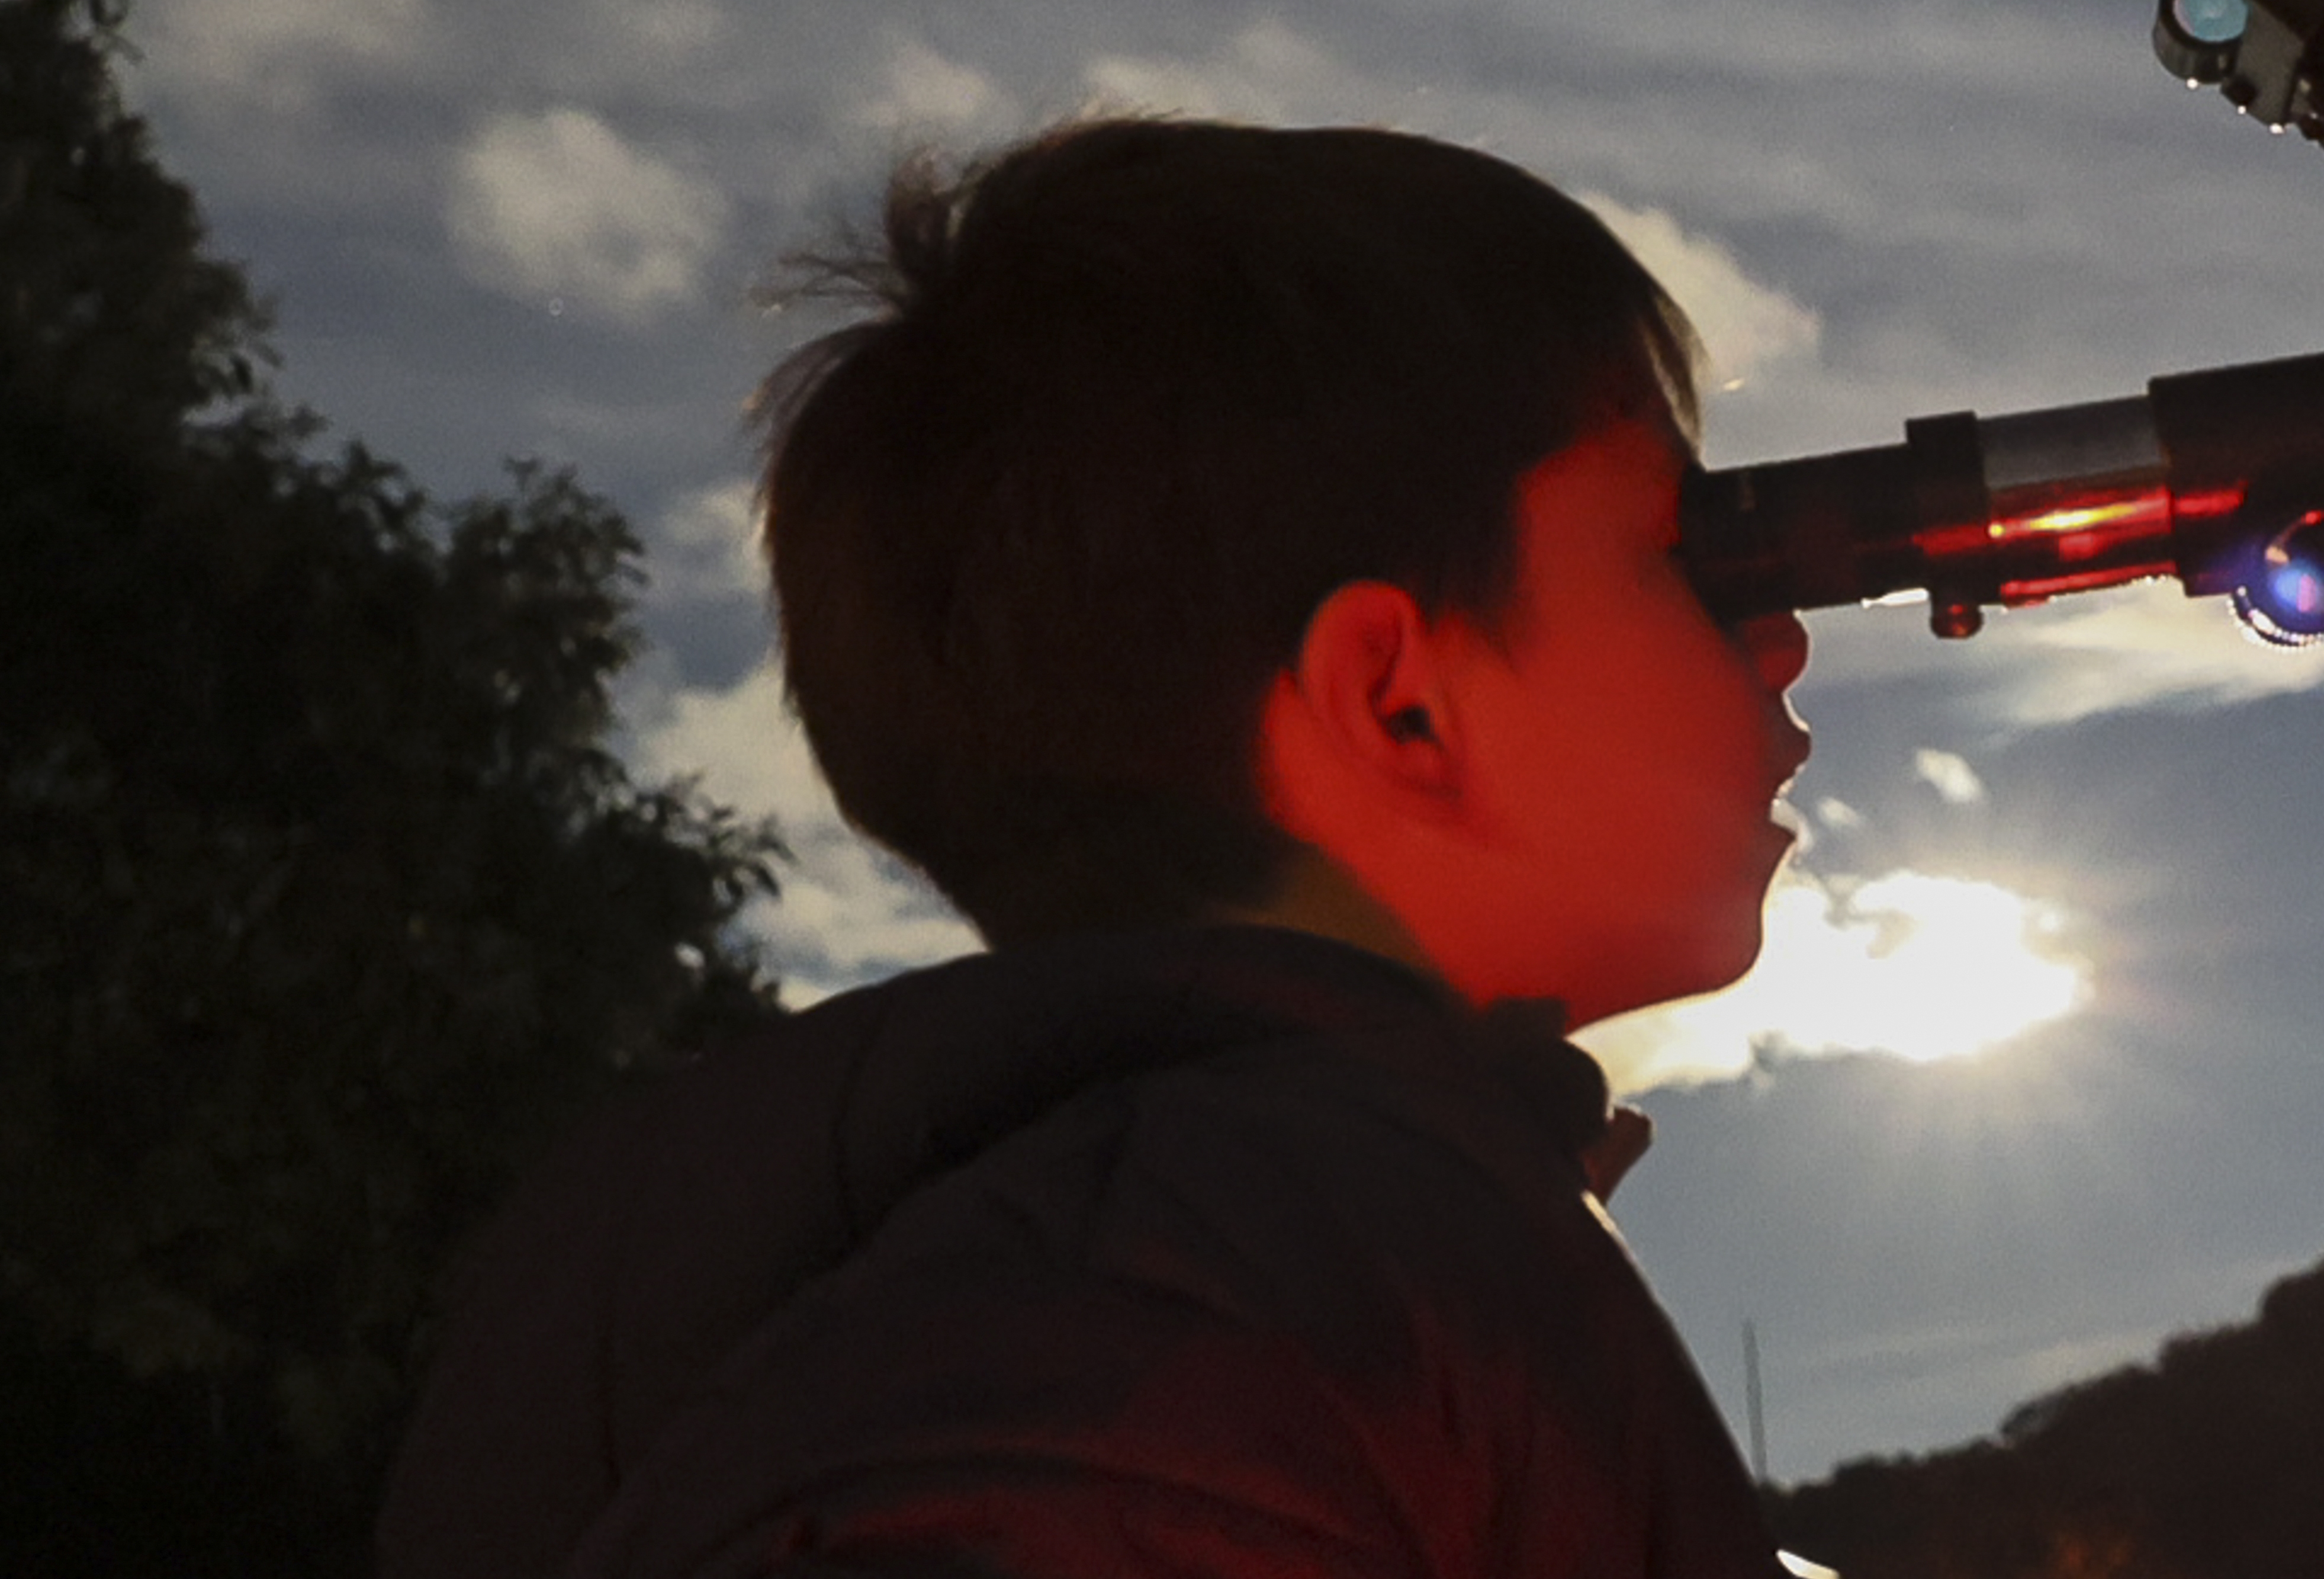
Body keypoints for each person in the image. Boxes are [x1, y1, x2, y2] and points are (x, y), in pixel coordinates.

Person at [376, 114, 1818, 1577]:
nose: (1775, 639)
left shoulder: (974, 1249)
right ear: (1397, 704)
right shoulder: (1263, 1270)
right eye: (1676, 555)